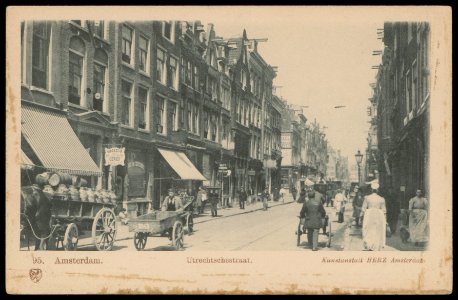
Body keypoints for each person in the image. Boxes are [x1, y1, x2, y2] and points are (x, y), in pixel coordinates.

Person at [360, 180, 387, 251]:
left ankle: (369, 244)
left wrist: (361, 217)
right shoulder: (381, 199)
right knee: (377, 230)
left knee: (369, 229)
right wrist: (385, 220)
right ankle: (376, 245)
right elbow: (384, 210)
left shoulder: (367, 198)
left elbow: (363, 208)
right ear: (377, 190)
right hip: (379, 215)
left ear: (371, 189)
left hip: (369, 215)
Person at [299, 183, 327, 251]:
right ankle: (314, 247)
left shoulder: (306, 203)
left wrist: (302, 216)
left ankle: (310, 244)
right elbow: (323, 211)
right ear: (314, 195)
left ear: (308, 196)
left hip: (308, 220)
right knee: (316, 232)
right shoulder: (319, 203)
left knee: (309, 231)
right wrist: (322, 216)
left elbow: (302, 212)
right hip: (317, 220)